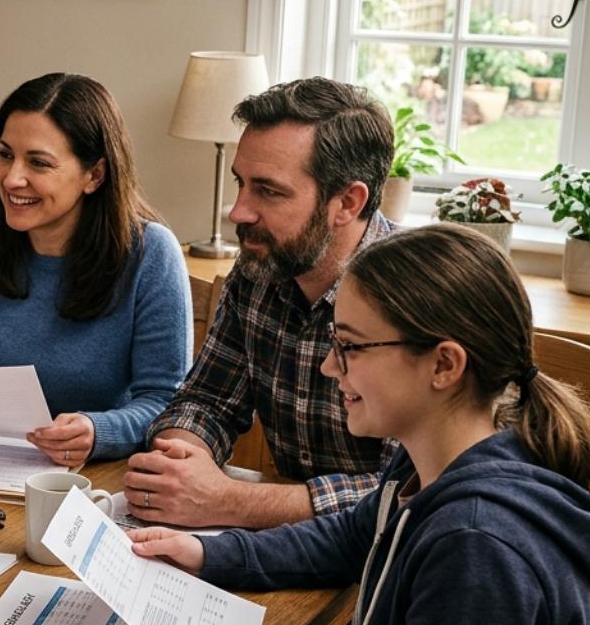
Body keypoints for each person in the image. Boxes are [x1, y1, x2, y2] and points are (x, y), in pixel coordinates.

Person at [125, 224, 590, 625]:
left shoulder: (478, 546)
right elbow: (353, 533)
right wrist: (210, 553)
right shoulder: (429, 459)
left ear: (443, 365)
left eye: (351, 347)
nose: (331, 366)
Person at [127, 77, 396, 529]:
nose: (238, 212)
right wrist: (179, 458)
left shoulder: (421, 300)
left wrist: (229, 500)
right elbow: (208, 400)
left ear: (347, 202)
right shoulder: (261, 267)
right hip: (284, 545)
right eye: (241, 183)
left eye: (268, 191)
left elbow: (409, 493)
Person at [0, 73, 190, 467]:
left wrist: (97, 430)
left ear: (95, 175)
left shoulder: (152, 253)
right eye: (5, 154)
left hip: (103, 475)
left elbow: (165, 402)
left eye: (38, 162)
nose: (12, 178)